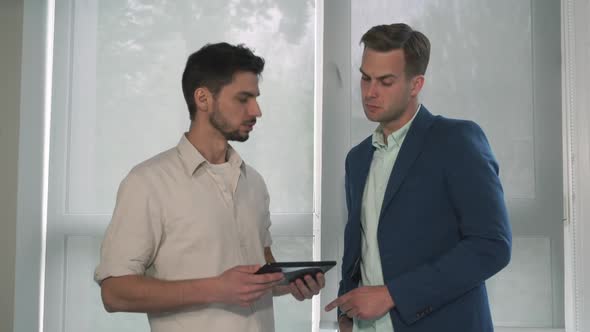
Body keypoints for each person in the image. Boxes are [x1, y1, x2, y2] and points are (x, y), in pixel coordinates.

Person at [95, 42, 325, 332]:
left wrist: (289, 283)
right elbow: (114, 292)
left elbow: (258, 271)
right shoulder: (147, 182)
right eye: (244, 99)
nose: (257, 110)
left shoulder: (253, 182)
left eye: (255, 98)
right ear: (203, 98)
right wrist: (216, 288)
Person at [325, 23, 512, 332]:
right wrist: (346, 310)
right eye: (365, 77)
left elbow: (492, 245)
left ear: (416, 84)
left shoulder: (456, 141)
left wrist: (392, 295)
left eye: (385, 81)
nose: (370, 92)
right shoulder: (357, 159)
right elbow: (360, 246)